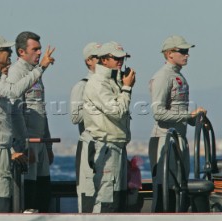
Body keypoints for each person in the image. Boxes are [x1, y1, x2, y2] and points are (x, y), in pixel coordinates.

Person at [0, 34, 45, 213]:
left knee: (1, 201)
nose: (10, 52)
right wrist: (41, 68)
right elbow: (12, 91)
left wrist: (11, 149)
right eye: (6, 50)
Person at [148, 35, 207, 212]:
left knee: (179, 188)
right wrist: (187, 115)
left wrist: (193, 119)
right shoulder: (163, 77)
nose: (187, 55)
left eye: (187, 51)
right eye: (182, 51)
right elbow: (158, 112)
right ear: (169, 54)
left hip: (178, 139)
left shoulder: (177, 76)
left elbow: (176, 111)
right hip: (164, 140)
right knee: (165, 190)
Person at [82, 41, 136, 213]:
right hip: (105, 144)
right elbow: (117, 111)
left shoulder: (113, 80)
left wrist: (124, 84)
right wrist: (127, 88)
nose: (120, 60)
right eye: (116, 57)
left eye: (123, 57)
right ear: (104, 60)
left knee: (117, 198)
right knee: (106, 199)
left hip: (116, 145)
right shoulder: (98, 83)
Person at [7, 31, 55, 212]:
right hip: (28, 143)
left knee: (44, 191)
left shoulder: (35, 74)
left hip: (40, 142)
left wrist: (48, 146)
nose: (39, 53)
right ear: (21, 52)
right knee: (30, 195)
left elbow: (40, 109)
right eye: (34, 49)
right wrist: (24, 146)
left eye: (39, 49)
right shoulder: (16, 73)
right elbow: (14, 110)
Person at [69, 42, 101, 213]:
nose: (103, 60)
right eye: (98, 57)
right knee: (88, 192)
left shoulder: (111, 86)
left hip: (108, 145)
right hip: (89, 144)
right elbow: (75, 117)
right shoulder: (81, 86)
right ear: (89, 61)